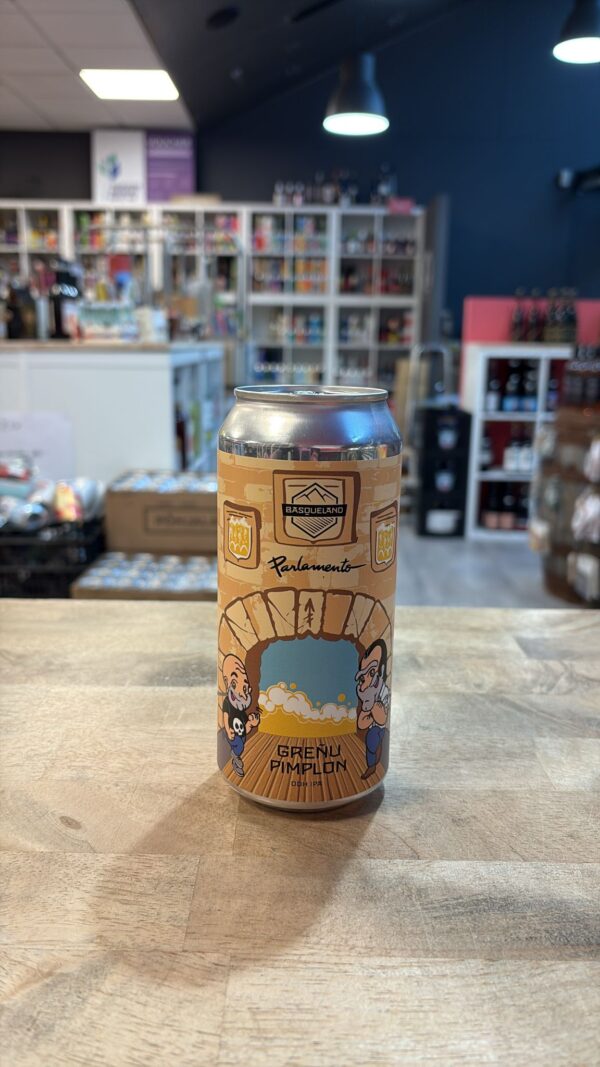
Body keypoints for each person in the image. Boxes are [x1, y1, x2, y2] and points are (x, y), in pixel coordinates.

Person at [355, 639, 390, 780]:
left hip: (380, 728)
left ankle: (373, 765)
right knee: (371, 742)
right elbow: (361, 723)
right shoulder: (367, 696)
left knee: (372, 741)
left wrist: (372, 703)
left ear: (382, 669)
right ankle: (372, 765)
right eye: (363, 676)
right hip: (374, 728)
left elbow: (382, 718)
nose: (367, 679)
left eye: (372, 671)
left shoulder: (383, 691)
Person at [221, 653, 260, 775]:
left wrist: (251, 723)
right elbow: (225, 715)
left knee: (240, 744)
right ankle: (235, 757)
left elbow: (245, 728)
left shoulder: (241, 709)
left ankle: (235, 756)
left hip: (240, 733)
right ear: (227, 683)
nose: (241, 691)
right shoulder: (228, 702)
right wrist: (228, 730)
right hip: (232, 733)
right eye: (234, 683)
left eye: (244, 687)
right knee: (239, 746)